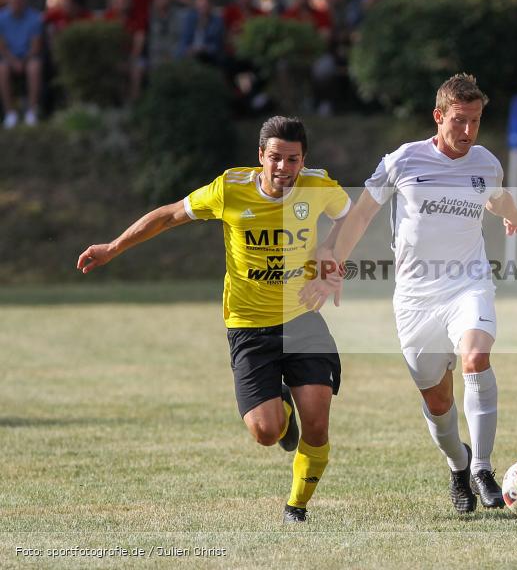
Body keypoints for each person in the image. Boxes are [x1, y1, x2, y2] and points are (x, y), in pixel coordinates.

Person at [77, 116, 351, 523]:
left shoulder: (319, 186)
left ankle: (296, 506)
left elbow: (352, 214)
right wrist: (114, 247)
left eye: (292, 160)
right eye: (275, 158)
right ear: (261, 157)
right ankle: (282, 412)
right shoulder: (229, 189)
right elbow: (170, 215)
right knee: (265, 433)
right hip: (248, 326)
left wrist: (332, 251)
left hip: (301, 319)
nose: (283, 168)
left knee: (319, 422)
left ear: (302, 159)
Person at [312, 74, 517, 513]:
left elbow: (497, 198)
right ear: (438, 116)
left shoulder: (485, 162)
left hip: (468, 283)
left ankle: (483, 468)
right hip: (416, 297)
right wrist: (333, 261)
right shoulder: (402, 161)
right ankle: (459, 466)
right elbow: (361, 215)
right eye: (459, 121)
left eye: (475, 121)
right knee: (438, 401)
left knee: (476, 358)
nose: (468, 132)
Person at [0, 0, 43, 128]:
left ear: (23, 0)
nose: (15, 4)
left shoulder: (34, 18)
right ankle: (9, 113)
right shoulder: (1, 18)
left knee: (34, 68)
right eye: (12, 1)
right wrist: (13, 61)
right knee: (2, 70)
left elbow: (36, 46)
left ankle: (32, 111)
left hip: (28, 57)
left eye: (18, 0)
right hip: (9, 58)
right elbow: (2, 46)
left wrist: (23, 62)